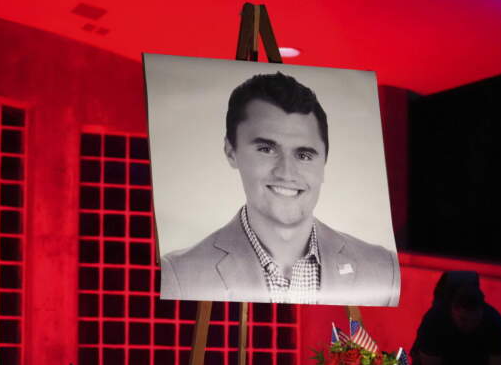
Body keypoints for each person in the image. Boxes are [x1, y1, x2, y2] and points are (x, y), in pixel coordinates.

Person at [160, 72, 399, 306]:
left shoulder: (384, 271)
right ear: (231, 151)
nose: (286, 172)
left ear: (324, 161)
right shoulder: (179, 276)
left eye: (304, 155)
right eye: (266, 149)